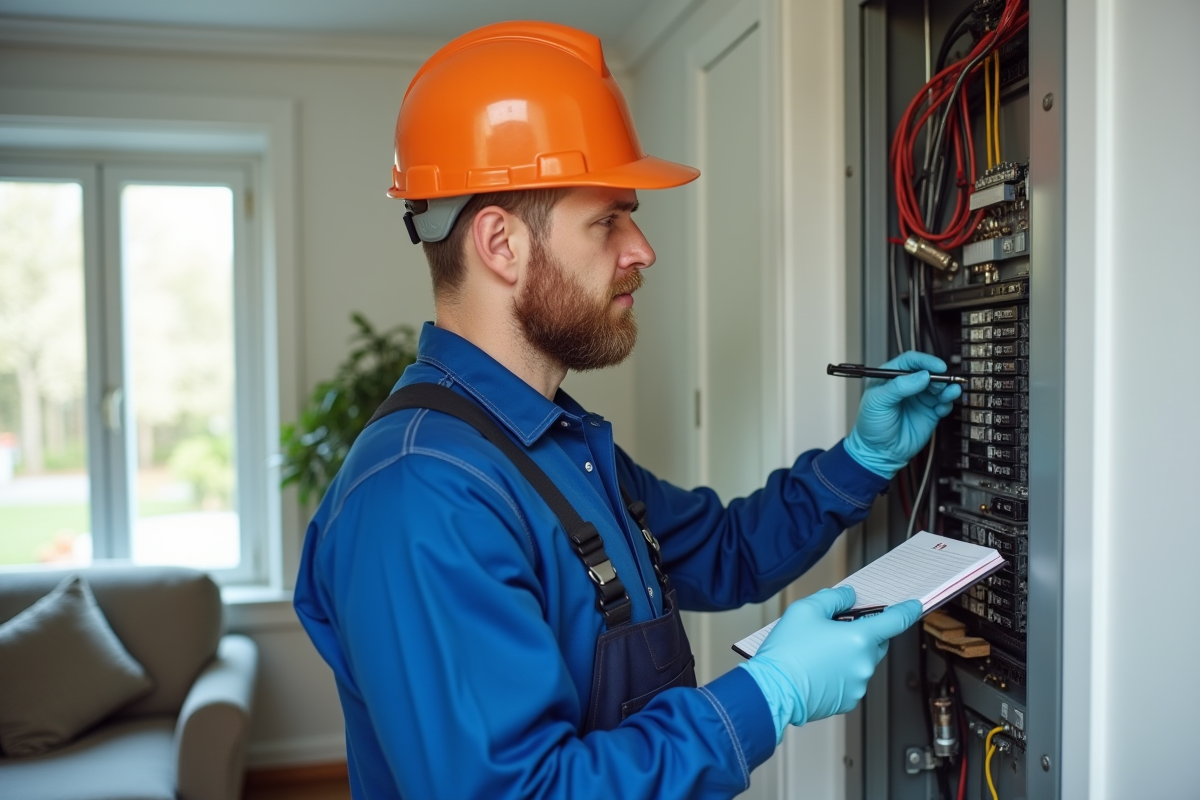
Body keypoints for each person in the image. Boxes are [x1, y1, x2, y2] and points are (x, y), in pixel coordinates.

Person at [294, 20, 961, 800]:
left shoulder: (554, 443)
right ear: (500, 244)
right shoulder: (419, 496)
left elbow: (724, 550)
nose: (641, 248)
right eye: (607, 219)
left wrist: (863, 459)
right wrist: (767, 696)